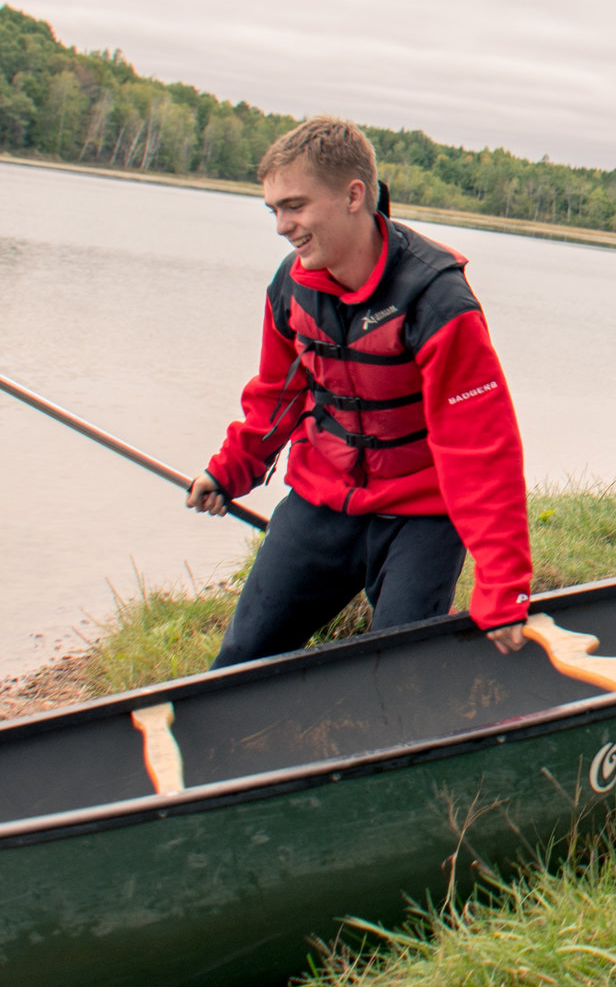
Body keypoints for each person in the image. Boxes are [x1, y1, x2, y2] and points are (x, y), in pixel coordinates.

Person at [187, 115, 534, 666]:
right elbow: (276, 397)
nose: (282, 225)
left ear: (353, 195)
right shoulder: (290, 287)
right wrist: (230, 470)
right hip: (321, 499)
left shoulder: (438, 301)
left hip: (421, 517)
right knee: (240, 663)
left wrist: (503, 586)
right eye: (273, 210)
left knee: (399, 674)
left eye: (295, 206)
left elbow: (482, 453)